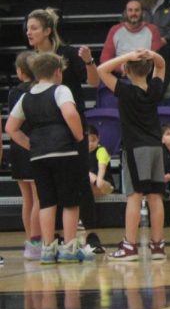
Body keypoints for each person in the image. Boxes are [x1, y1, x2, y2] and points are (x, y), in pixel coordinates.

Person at [5, 52, 95, 264]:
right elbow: (71, 114)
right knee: (70, 202)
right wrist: (78, 135)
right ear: (58, 72)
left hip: (38, 155)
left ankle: (47, 248)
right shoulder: (60, 89)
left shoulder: (26, 96)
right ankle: (70, 248)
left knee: (47, 202)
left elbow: (11, 127)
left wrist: (30, 144)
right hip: (63, 151)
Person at [96, 49, 168, 262]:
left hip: (136, 149)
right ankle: (158, 246)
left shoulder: (126, 91)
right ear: (148, 70)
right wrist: (151, 54)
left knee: (134, 196)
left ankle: (129, 246)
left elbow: (101, 70)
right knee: (156, 197)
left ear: (126, 70)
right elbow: (162, 65)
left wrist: (127, 56)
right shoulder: (154, 89)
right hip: (156, 147)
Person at [7, 51, 41, 259]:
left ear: (20, 72)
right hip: (33, 144)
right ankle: (37, 241)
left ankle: (31, 241)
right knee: (39, 197)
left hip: (17, 146)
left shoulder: (13, 92)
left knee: (26, 198)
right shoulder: (37, 90)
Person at [100, 0, 163, 64]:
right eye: (130, 10)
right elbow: (105, 59)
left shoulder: (153, 30)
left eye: (137, 10)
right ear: (125, 12)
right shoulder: (114, 30)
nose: (133, 13)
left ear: (142, 12)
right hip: (121, 72)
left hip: (145, 71)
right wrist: (122, 68)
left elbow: (156, 59)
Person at [86, 125, 114, 199]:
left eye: (93, 140)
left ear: (98, 138)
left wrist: (99, 180)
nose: (90, 144)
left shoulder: (101, 150)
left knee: (89, 175)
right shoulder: (82, 153)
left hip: (105, 185)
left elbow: (102, 167)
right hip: (92, 187)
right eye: (87, 141)